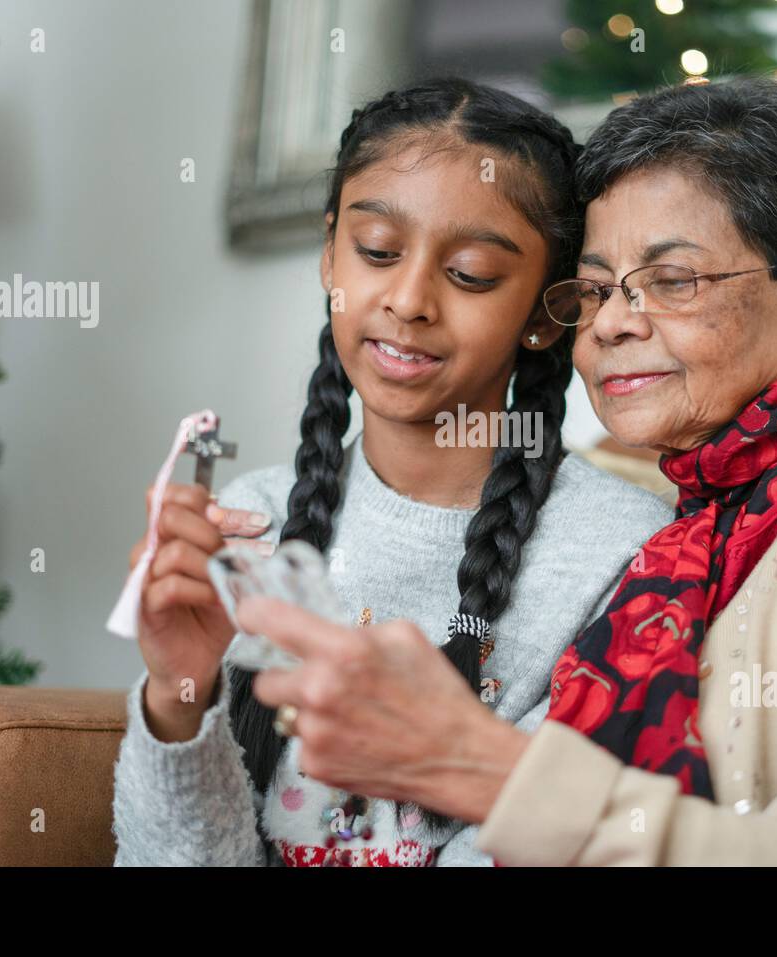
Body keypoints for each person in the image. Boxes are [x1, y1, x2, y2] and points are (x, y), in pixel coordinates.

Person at [239, 77, 777, 866]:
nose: (615, 321)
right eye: (597, 287)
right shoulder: (679, 533)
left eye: (673, 280)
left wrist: (487, 770)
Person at [110, 78, 672, 867]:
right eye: (375, 250)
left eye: (471, 272)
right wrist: (180, 692)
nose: (408, 298)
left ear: (548, 313)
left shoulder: (622, 551)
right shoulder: (252, 522)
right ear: (328, 253)